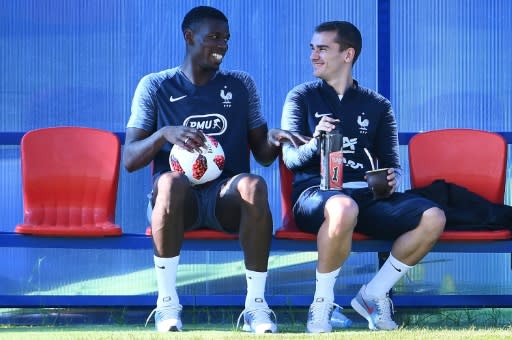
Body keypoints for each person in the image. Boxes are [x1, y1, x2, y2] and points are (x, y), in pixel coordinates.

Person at [123, 6, 307, 333]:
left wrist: (275, 138)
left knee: (253, 185)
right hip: (179, 204)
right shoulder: (155, 86)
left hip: (226, 200)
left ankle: (255, 307)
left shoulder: (240, 85)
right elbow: (130, 159)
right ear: (189, 37)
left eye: (226, 39)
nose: (221, 45)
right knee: (169, 182)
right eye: (213, 38)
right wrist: (164, 133)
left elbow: (263, 155)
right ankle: (167, 305)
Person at [280, 21, 446, 333]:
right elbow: (290, 160)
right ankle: (322, 304)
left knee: (434, 217)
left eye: (322, 49)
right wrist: (316, 142)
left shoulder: (378, 105)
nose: (313, 56)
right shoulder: (301, 97)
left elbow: (390, 164)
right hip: (315, 196)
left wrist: (391, 178)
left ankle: (373, 294)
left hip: (366, 198)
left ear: (348, 54)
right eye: (312, 49)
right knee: (343, 208)